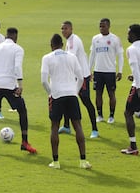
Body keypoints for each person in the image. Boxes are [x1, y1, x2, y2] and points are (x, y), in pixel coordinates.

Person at [0, 27, 37, 154]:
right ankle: (24, 142)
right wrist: (19, 85)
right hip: (9, 85)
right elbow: (17, 67)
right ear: (15, 37)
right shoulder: (18, 49)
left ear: (6, 36)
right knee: (22, 110)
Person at [41, 34, 92, 169]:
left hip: (57, 95)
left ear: (51, 45)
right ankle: (83, 161)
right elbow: (81, 78)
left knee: (54, 127)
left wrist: (50, 93)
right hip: (71, 94)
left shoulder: (47, 58)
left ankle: (56, 162)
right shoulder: (72, 57)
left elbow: (44, 81)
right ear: (62, 44)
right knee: (78, 126)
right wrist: (74, 91)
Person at [59, 21, 99, 138]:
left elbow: (70, 58)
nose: (63, 31)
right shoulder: (70, 40)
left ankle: (95, 129)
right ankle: (66, 126)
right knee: (67, 99)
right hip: (75, 76)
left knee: (86, 101)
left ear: (71, 29)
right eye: (62, 29)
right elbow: (83, 55)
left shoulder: (73, 41)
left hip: (81, 77)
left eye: (65, 28)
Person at [89, 18, 124, 124]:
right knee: (98, 93)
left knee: (111, 94)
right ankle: (99, 115)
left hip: (110, 71)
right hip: (98, 71)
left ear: (108, 26)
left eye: (103, 26)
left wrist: (120, 70)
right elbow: (92, 55)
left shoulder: (115, 39)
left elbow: (120, 55)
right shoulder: (95, 39)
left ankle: (111, 116)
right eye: (100, 26)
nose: (101, 28)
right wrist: (88, 70)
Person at [122, 24, 140, 155]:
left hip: (138, 85)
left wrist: (138, 86)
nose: (127, 35)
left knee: (128, 113)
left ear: (134, 35)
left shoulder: (131, 49)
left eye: (128, 33)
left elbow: (135, 67)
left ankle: (133, 146)